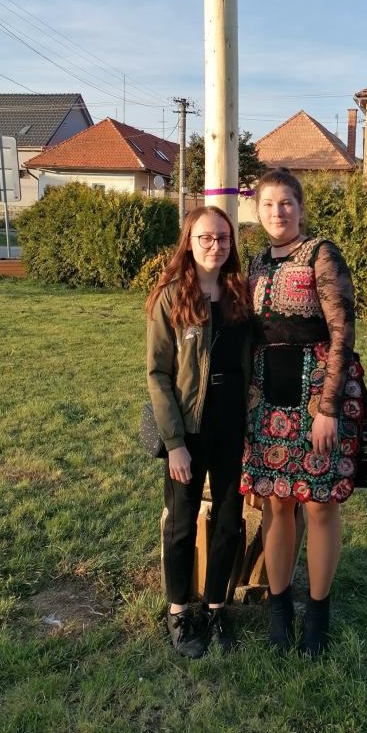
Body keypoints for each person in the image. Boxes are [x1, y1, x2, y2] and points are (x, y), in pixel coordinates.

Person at [241, 169, 367, 657]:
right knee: (276, 503)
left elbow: (343, 331)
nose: (277, 212)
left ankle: (318, 613)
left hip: (316, 394)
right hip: (267, 398)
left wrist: (328, 408)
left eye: (286, 203)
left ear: (300, 209)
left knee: (320, 504)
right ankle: (280, 608)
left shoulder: (322, 253)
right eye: (268, 204)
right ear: (257, 211)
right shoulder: (256, 262)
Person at [146, 206, 252, 658]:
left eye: (223, 238)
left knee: (228, 521)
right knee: (182, 522)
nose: (215, 246)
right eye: (205, 238)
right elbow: (158, 374)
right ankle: (178, 611)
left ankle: (215, 607)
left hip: (231, 428)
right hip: (188, 432)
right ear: (189, 242)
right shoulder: (171, 297)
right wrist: (174, 445)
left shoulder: (239, 294)